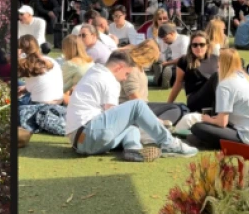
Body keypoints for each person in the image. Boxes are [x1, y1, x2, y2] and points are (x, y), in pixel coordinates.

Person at [64, 50, 198, 162]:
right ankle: (169, 143)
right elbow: (112, 112)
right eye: (127, 74)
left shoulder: (94, 71)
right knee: (137, 105)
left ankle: (132, 149)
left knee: (131, 125)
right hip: (89, 134)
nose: (125, 78)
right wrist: (157, 122)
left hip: (79, 143)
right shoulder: (110, 80)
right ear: (118, 68)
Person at [189, 49, 249, 149]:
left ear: (221, 62)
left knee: (197, 127)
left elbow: (222, 123)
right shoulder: (248, 79)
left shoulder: (225, 85)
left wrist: (208, 119)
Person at [121, 40, 185, 125]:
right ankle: (154, 125)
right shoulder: (132, 69)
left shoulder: (138, 67)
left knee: (181, 107)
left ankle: (155, 124)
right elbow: (134, 96)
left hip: (141, 107)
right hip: (132, 110)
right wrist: (152, 117)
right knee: (176, 109)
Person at [18, 36, 68, 136]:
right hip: (58, 102)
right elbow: (37, 83)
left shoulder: (25, 65)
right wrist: (25, 89)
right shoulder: (51, 61)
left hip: (39, 104)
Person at [167, 31, 221, 113]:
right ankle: (220, 111)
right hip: (195, 99)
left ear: (207, 46)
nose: (198, 47)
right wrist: (168, 104)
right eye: (195, 45)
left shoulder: (216, 59)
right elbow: (178, 83)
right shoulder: (185, 61)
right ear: (191, 47)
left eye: (202, 45)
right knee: (216, 76)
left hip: (213, 97)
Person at [155, 24, 190, 89]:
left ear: (172, 33)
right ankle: (167, 81)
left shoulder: (183, 39)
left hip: (182, 67)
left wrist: (168, 63)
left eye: (166, 38)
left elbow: (184, 59)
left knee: (176, 73)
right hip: (168, 66)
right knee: (159, 82)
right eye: (162, 39)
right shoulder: (162, 41)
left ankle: (170, 81)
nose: (164, 41)